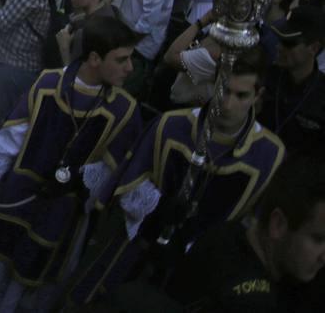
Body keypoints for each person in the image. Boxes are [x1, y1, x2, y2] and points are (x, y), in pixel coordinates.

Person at [71, 49, 285, 305]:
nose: (228, 104)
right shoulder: (172, 126)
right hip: (138, 252)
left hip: (199, 275)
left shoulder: (268, 155)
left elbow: (254, 226)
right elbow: (130, 180)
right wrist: (156, 209)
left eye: (241, 95)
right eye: (223, 90)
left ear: (258, 95)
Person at [0, 17, 145, 313]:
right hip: (19, 195)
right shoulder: (48, 83)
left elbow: (111, 170)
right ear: (94, 58)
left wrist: (78, 181)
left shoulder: (124, 110)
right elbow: (13, 137)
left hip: (62, 212)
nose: (130, 68)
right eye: (122, 59)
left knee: (34, 271)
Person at [157, 153, 325, 312]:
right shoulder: (250, 303)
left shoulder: (225, 234)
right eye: (318, 239)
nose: (323, 256)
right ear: (278, 224)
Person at [259, 5, 325, 158]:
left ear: (314, 48)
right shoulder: (265, 77)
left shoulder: (321, 96)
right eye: (280, 40)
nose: (279, 47)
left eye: (289, 43)